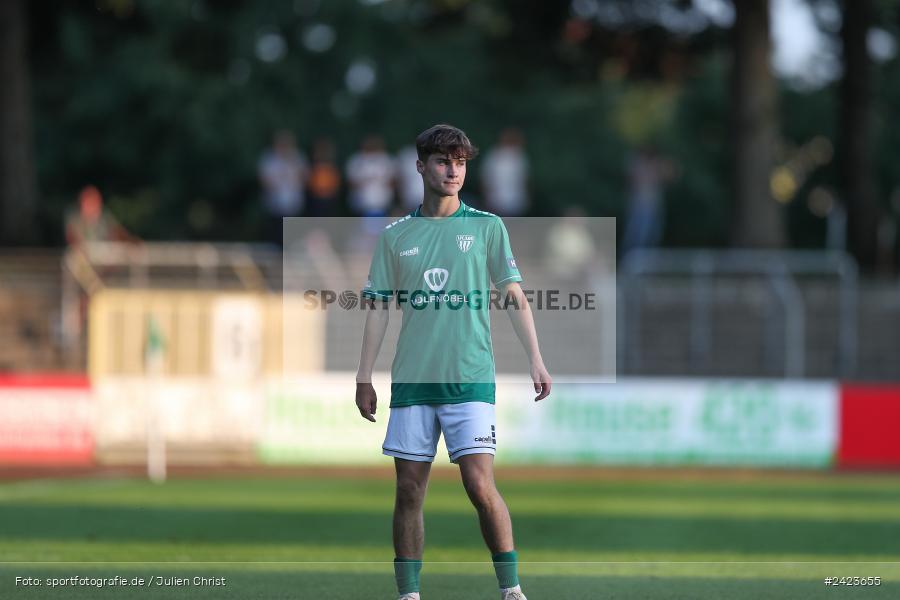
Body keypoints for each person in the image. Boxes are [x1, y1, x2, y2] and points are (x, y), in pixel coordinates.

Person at [355, 124, 551, 600]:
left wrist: (536, 360)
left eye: (460, 162)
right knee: (408, 491)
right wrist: (363, 376)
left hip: (470, 379)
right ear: (420, 167)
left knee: (480, 486)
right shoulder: (395, 236)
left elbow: (513, 295)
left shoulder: (487, 227)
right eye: (443, 161)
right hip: (414, 381)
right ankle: (409, 594)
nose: (453, 170)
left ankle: (511, 590)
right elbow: (379, 307)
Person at [621, 143, 676, 256]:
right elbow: (632, 180)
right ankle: (629, 260)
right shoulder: (637, 164)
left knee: (652, 235)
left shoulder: (656, 165)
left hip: (653, 206)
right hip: (640, 204)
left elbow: (671, 176)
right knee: (636, 235)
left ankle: (644, 263)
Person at [258, 130, 309, 245]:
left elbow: (305, 177)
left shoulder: (298, 158)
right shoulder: (269, 158)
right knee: (274, 229)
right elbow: (264, 178)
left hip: (293, 201)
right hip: (274, 201)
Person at [480, 128, 529, 216]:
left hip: (515, 200)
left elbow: (524, 179)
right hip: (497, 200)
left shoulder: (519, 155)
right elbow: (487, 178)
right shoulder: (495, 155)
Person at [305, 138, 341, 217]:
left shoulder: (332, 168)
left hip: (329, 199)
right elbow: (309, 183)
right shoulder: (313, 168)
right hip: (315, 199)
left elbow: (336, 184)